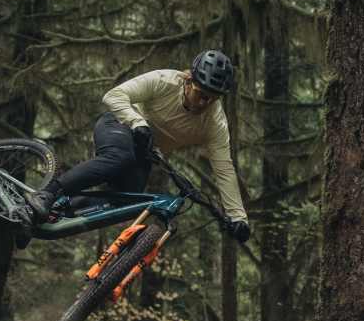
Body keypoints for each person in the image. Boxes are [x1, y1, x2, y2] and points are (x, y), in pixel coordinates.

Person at [27, 49, 251, 242]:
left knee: (127, 200)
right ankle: (47, 194)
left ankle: (53, 213)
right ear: (189, 80)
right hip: (120, 124)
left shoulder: (215, 122)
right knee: (119, 158)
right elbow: (114, 95)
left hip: (145, 151)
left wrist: (238, 217)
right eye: (201, 94)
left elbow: (224, 170)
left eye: (213, 98)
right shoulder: (164, 81)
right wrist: (137, 122)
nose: (205, 103)